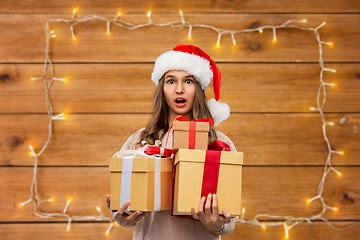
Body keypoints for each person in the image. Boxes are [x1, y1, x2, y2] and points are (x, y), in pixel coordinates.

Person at [106, 45, 237, 239]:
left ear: (198, 89)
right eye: (171, 81)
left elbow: (229, 224)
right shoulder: (137, 140)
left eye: (188, 81)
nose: (179, 89)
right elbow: (123, 204)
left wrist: (217, 224)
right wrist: (121, 218)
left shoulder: (220, 144)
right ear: (162, 88)